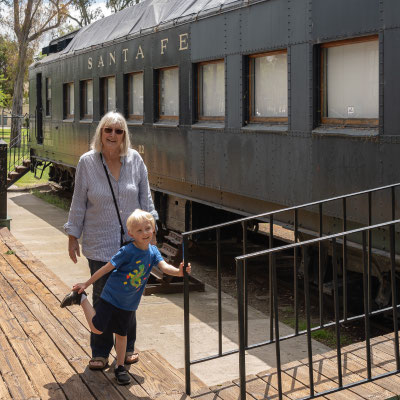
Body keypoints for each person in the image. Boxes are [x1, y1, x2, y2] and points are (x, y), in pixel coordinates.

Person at [64, 111, 158, 370]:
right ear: (101, 134)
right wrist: (73, 236)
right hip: (100, 243)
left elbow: (146, 201)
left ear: (124, 135)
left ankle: (127, 348)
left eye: (119, 131)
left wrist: (152, 233)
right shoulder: (87, 163)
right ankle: (100, 351)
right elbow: (78, 204)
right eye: (108, 130)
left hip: (132, 245)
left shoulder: (135, 160)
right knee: (104, 298)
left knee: (128, 297)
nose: (113, 135)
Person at [60, 209, 191, 385]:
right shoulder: (127, 251)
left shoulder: (153, 252)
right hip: (111, 297)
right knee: (97, 328)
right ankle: (81, 298)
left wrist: (180, 272)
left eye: (147, 228)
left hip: (129, 304)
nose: (144, 233)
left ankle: (120, 367)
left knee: (122, 335)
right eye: (139, 230)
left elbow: (165, 267)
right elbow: (107, 268)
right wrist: (86, 284)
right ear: (131, 234)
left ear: (153, 229)